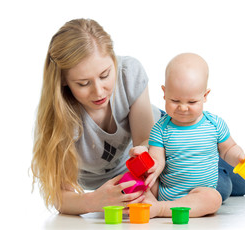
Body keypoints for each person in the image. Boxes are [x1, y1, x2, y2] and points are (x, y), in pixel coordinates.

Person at [31, 18, 161, 215]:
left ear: (114, 61)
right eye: (83, 84)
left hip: (165, 137)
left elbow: (146, 141)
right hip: (111, 180)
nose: (99, 92)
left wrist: (147, 167)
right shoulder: (58, 118)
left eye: (105, 75)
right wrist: (92, 201)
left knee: (218, 182)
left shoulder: (128, 73)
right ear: (63, 81)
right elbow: (59, 196)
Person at [142, 53, 245, 218]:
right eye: (175, 100)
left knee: (214, 199)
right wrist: (151, 168)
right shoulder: (160, 129)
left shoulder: (215, 124)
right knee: (137, 182)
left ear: (205, 96)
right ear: (164, 92)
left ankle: (161, 209)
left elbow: (228, 150)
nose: (183, 108)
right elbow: (157, 160)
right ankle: (157, 203)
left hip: (200, 193)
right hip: (165, 191)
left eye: (191, 102)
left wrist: (239, 157)